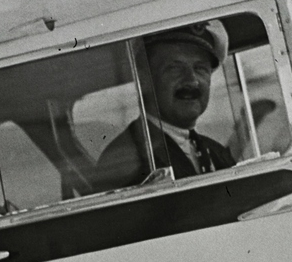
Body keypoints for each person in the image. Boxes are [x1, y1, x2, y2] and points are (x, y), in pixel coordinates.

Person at [95, 21, 237, 187]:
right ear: (144, 79)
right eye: (175, 68)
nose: (192, 81)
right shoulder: (123, 157)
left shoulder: (217, 152)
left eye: (200, 69)